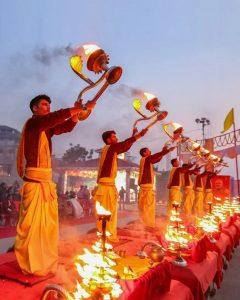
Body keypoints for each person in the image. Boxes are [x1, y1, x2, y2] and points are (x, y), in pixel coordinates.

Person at [14, 94, 96, 276]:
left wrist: (78, 114)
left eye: (49, 104)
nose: (48, 107)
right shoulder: (34, 123)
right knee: (32, 228)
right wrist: (78, 109)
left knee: (47, 226)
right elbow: (55, 118)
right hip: (35, 184)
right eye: (44, 104)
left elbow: (63, 126)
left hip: (45, 182)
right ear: (35, 108)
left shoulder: (45, 128)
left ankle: (43, 259)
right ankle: (30, 263)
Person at [94, 128, 148, 242]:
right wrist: (138, 136)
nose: (116, 138)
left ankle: (106, 235)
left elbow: (125, 146)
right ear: (108, 140)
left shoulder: (109, 149)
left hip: (107, 186)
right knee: (107, 214)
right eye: (114, 137)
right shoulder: (110, 148)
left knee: (108, 213)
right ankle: (106, 236)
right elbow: (124, 145)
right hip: (106, 187)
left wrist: (134, 135)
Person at [138, 146, 173, 229]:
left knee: (147, 206)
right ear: (144, 153)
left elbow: (157, 159)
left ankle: (146, 223)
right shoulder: (146, 159)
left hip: (146, 188)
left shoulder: (146, 160)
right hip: (146, 188)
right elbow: (155, 157)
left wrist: (163, 152)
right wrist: (166, 151)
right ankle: (147, 224)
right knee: (147, 207)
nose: (150, 151)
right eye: (148, 150)